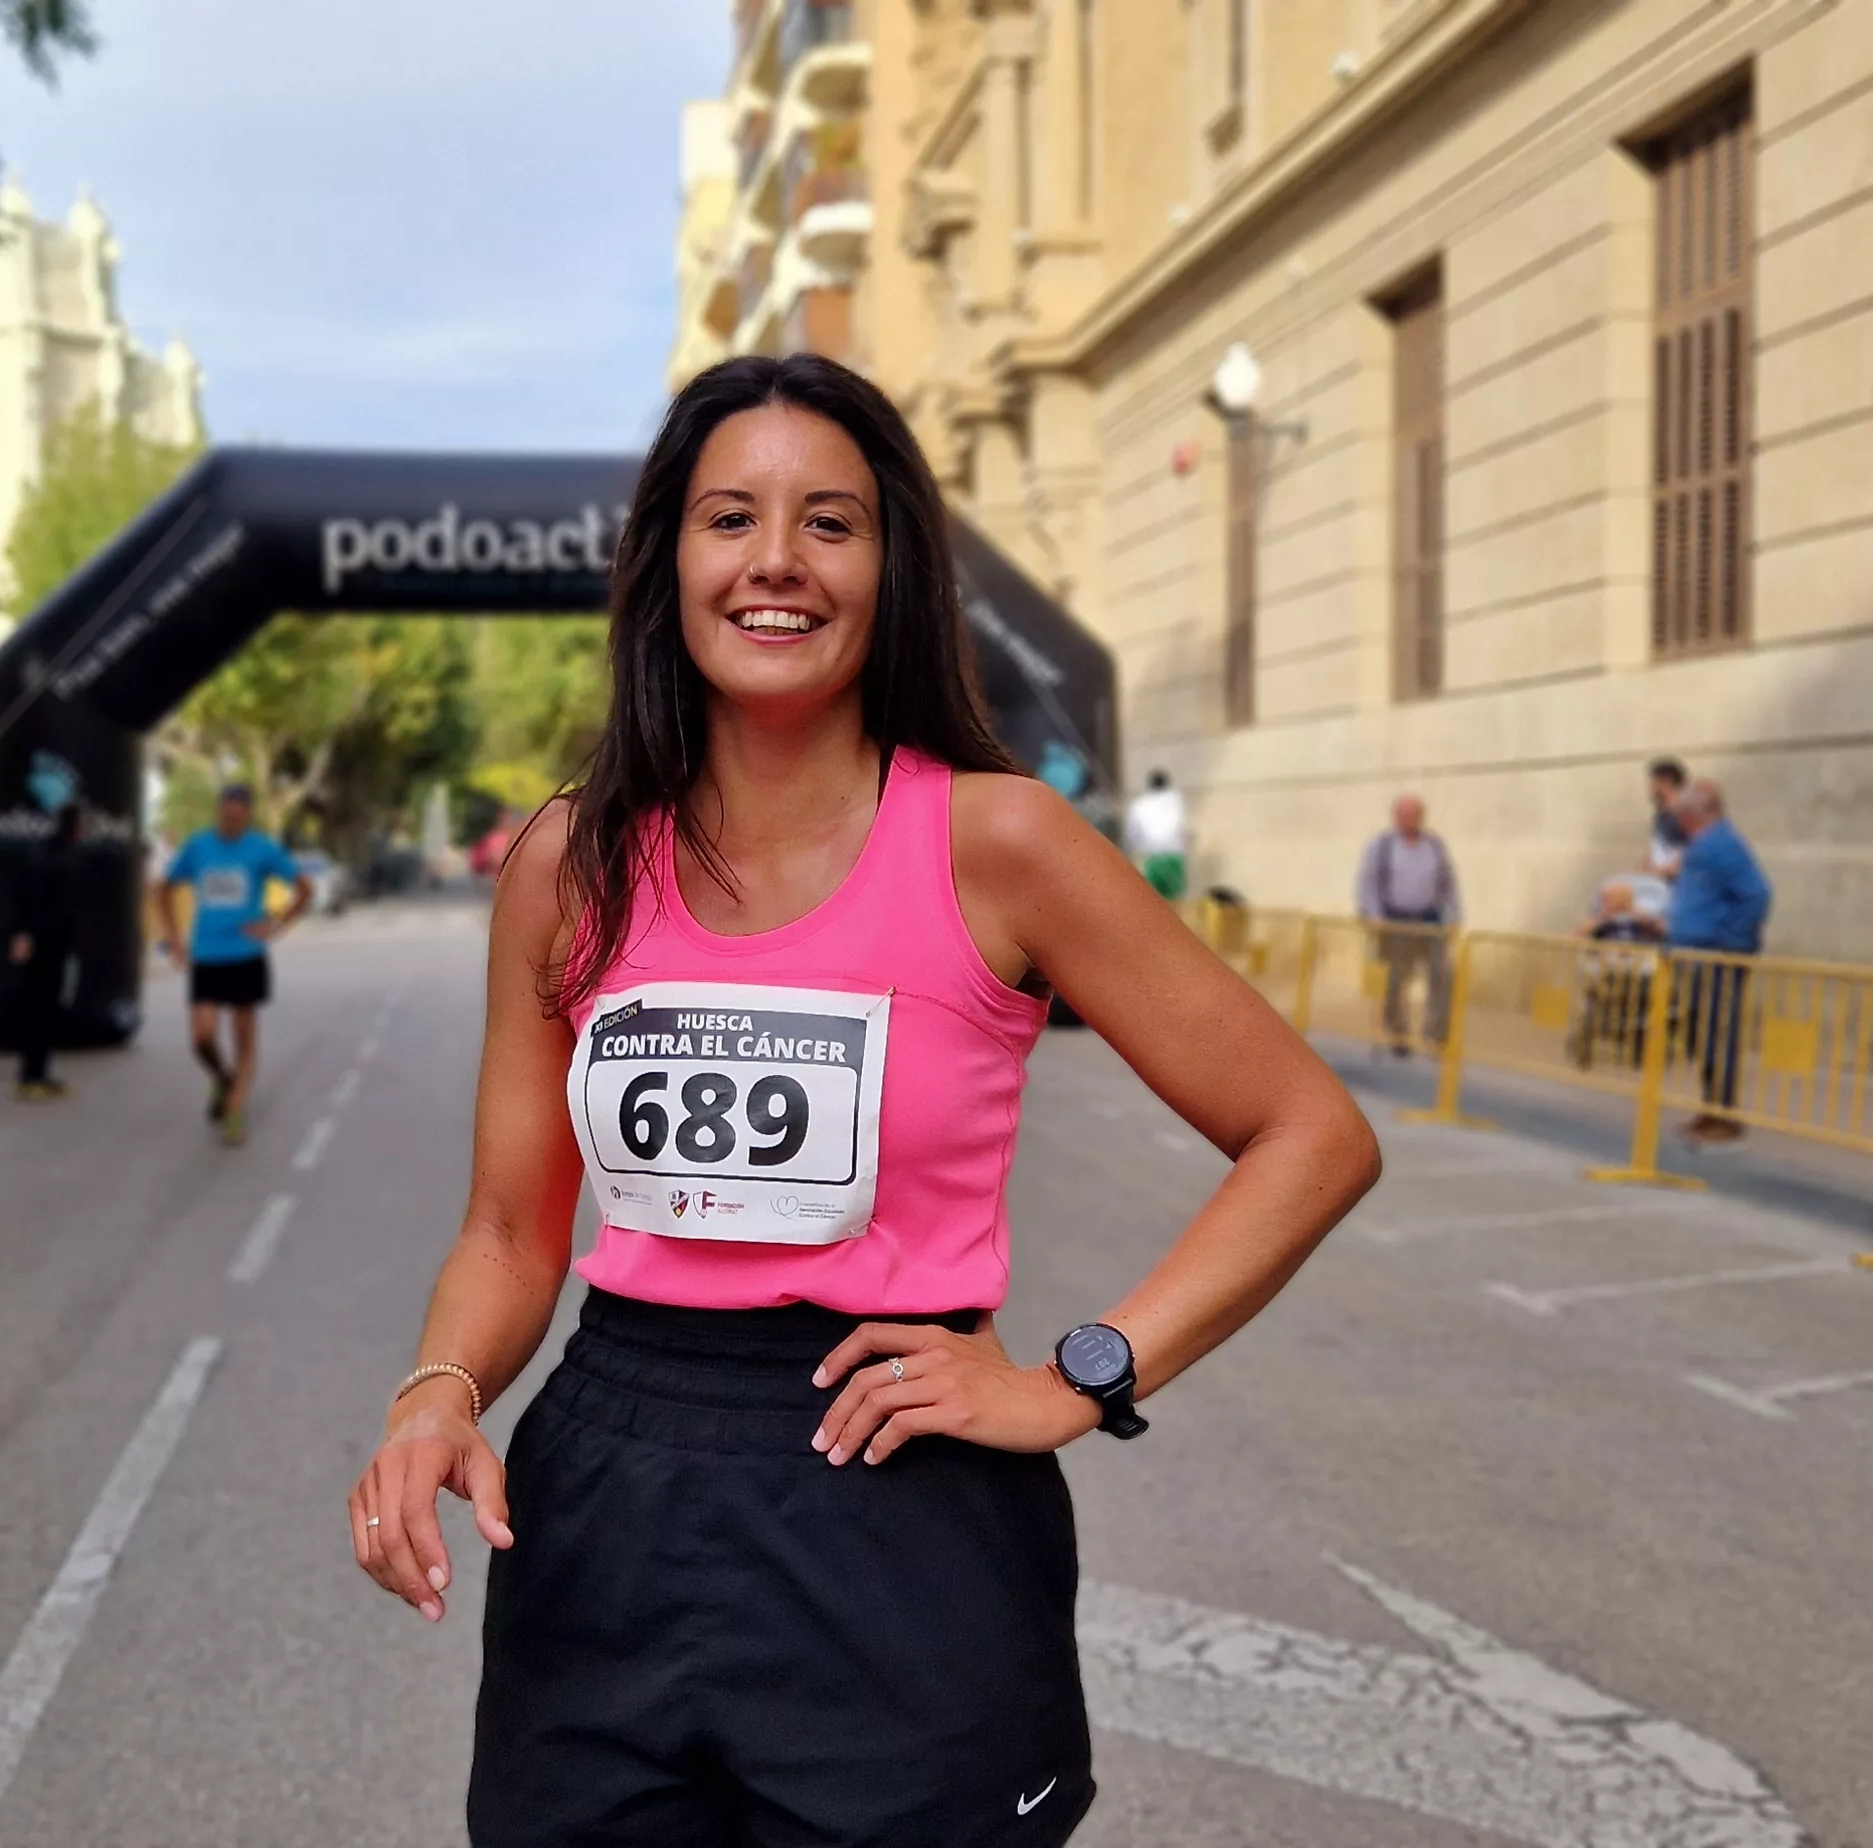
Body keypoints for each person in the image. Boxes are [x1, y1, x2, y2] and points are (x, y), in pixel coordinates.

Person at [344, 354, 1382, 1846]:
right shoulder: (570, 864)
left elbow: (1310, 1134)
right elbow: (512, 1231)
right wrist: (436, 1395)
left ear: (893, 569)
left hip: (901, 1498)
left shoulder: (1000, 842)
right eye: (730, 519)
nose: (776, 560)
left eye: (828, 522)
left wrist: (1080, 1377)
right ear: (668, 562)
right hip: (610, 1497)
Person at [157, 785, 309, 1146]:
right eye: (226, 815)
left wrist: (276, 923)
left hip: (246, 955)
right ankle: (224, 1078)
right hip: (206, 956)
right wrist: (175, 938)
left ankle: (235, 1110)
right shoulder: (199, 846)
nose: (231, 822)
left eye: (238, 817)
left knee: (244, 1038)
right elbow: (163, 888)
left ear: (248, 815)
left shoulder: (262, 849)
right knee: (201, 1037)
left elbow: (304, 888)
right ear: (219, 811)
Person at [1663, 778, 1772, 1144]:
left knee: (1717, 1033)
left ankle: (1723, 1114)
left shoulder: (1722, 844)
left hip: (1717, 958)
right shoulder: (1704, 844)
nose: (1677, 819)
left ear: (1696, 812)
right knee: (1704, 1033)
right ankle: (1711, 1108)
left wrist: (1727, 941)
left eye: (1681, 812)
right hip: (1698, 956)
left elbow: (1756, 894)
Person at [1355, 792, 1460, 1059]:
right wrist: (1374, 915)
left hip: (1429, 920)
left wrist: (1455, 917)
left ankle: (1434, 1036)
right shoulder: (1383, 845)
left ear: (1421, 816)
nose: (1409, 818)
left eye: (1414, 814)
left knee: (1442, 977)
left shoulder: (1434, 845)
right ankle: (1398, 1033)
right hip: (1395, 921)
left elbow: (1449, 884)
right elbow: (1368, 882)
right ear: (1396, 816)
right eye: (1404, 814)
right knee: (1394, 981)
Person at [3, 832, 77, 1102]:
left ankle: (35, 1073)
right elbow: (52, 910)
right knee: (41, 1012)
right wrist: (27, 934)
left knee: (38, 1011)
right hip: (46, 948)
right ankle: (33, 1075)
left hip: (44, 946)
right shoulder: (56, 869)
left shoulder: (37, 866)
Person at [1568, 876, 1665, 1072]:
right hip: (1607, 972)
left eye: (1610, 898)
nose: (1606, 902)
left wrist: (1640, 915)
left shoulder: (1640, 920)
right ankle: (1584, 1048)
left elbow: (1664, 933)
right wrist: (1601, 918)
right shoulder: (1600, 922)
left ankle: (1641, 1045)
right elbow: (1571, 938)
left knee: (1648, 1002)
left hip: (1640, 975)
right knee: (1591, 1000)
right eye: (1604, 899)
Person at [1123, 767, 1188, 900]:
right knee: (1175, 901)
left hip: (1153, 858)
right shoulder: (1176, 800)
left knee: (1151, 900)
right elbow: (1183, 828)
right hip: (1174, 856)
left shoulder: (1140, 804)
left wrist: (1128, 852)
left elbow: (1132, 833)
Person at [1646, 757, 1692, 879]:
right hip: (1660, 877)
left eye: (1653, 782)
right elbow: (1657, 852)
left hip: (1677, 882)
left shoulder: (1684, 816)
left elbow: (1688, 856)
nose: (1649, 787)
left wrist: (1656, 872)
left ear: (1665, 782)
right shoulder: (1661, 815)